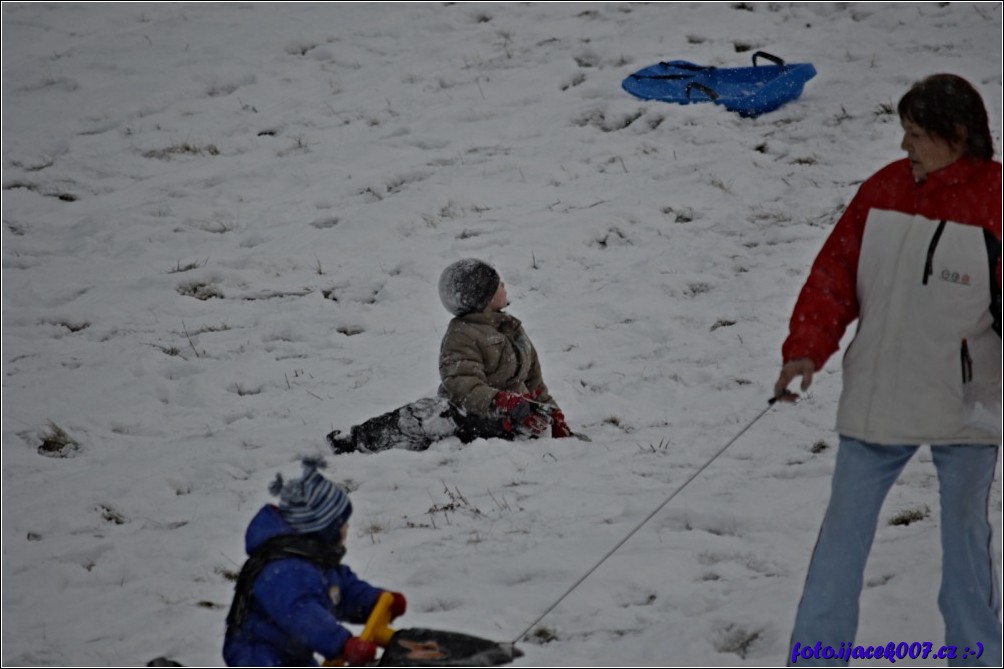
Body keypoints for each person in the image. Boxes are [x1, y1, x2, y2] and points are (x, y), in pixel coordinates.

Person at [775, 73, 1001, 666]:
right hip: (881, 391)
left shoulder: (997, 203)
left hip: (969, 399)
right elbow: (834, 276)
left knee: (965, 542)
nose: (905, 146)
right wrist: (805, 348)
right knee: (840, 542)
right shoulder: (884, 189)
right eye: (903, 132)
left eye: (917, 134)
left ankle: (976, 658)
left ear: (957, 136)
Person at [326, 258, 573, 453]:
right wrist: (501, 401)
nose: (504, 286)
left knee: (529, 433)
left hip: (513, 420)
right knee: (426, 413)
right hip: (469, 415)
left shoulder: (513, 330)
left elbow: (534, 382)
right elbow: (462, 385)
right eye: (498, 284)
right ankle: (361, 439)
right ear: (483, 297)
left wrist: (553, 413)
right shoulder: (462, 335)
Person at [223, 458, 407, 666]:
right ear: (322, 528)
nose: (347, 528)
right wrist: (342, 643)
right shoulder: (283, 570)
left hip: (294, 653)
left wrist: (374, 601)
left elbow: (343, 591)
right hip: (258, 653)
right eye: (342, 523)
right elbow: (301, 614)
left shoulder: (319, 563)